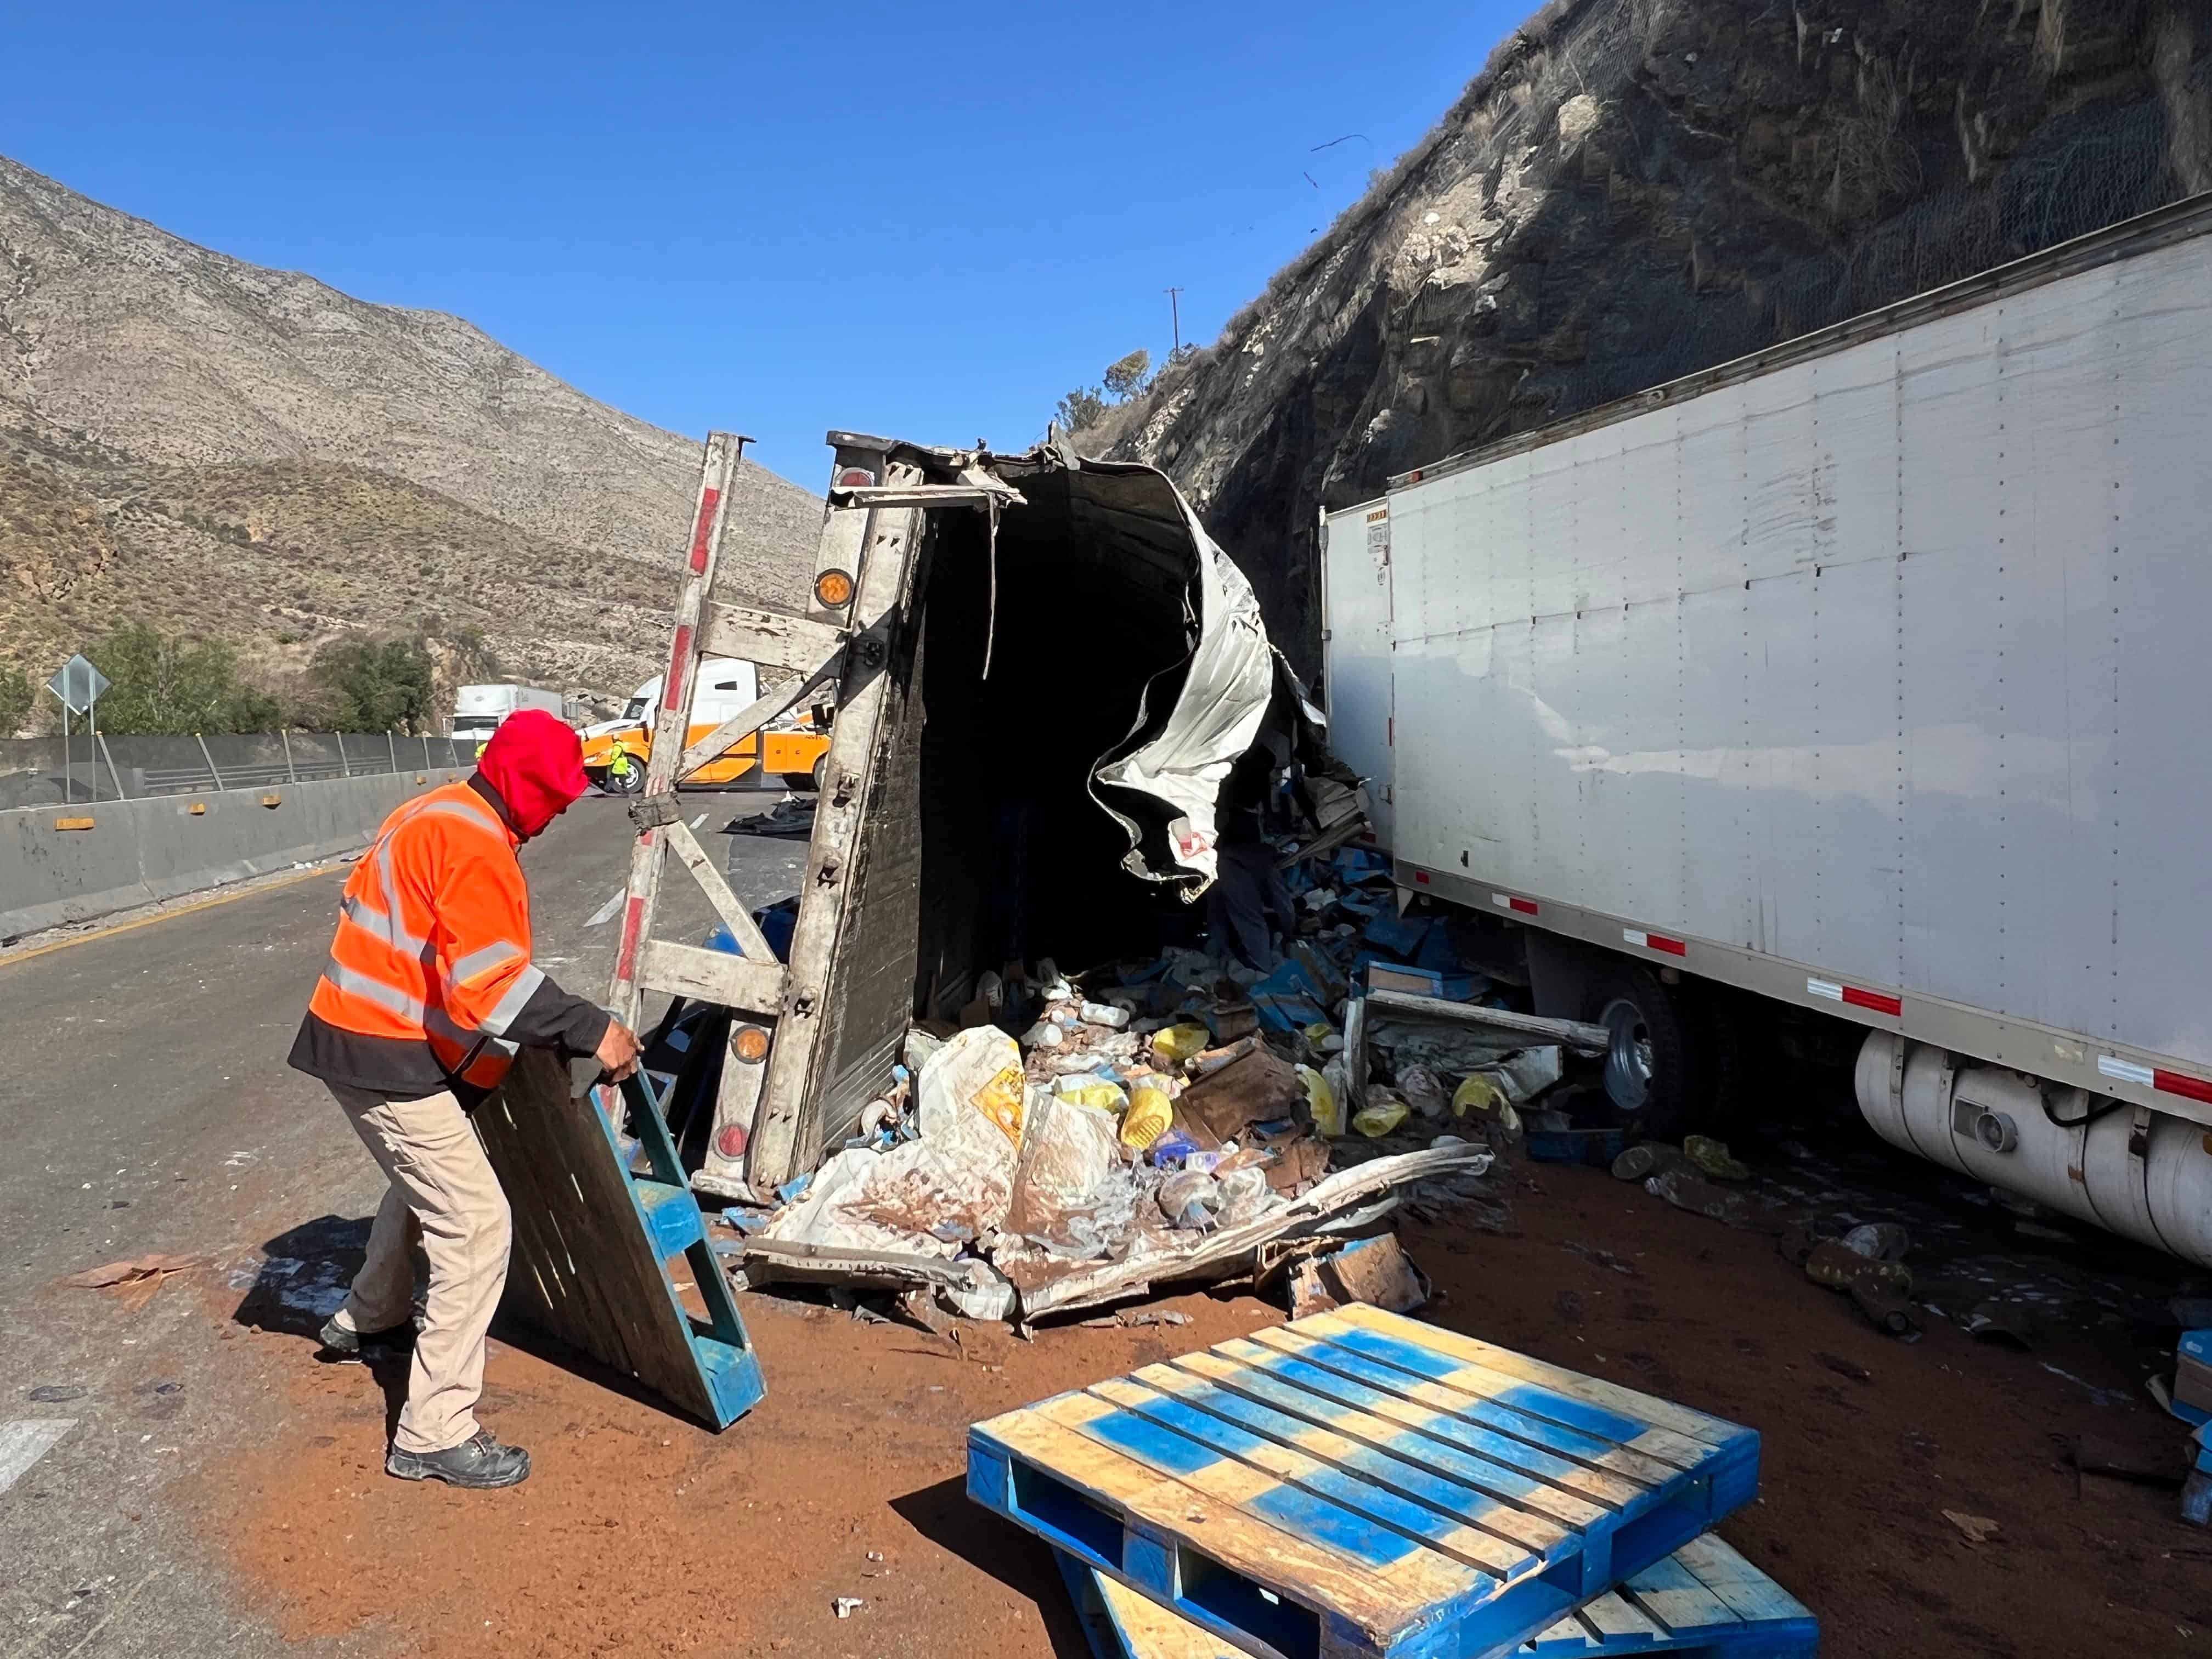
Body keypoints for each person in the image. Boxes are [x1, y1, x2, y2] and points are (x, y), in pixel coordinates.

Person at [287, 709, 640, 1489]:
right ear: (520, 785)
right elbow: (490, 989)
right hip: (382, 1050)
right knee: (476, 1223)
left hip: (365, 1036)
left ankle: (368, 1316)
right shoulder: (475, 843)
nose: (555, 815)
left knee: (426, 1185)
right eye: (552, 798)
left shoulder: (435, 810)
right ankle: (433, 1431)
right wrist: (595, 1030)